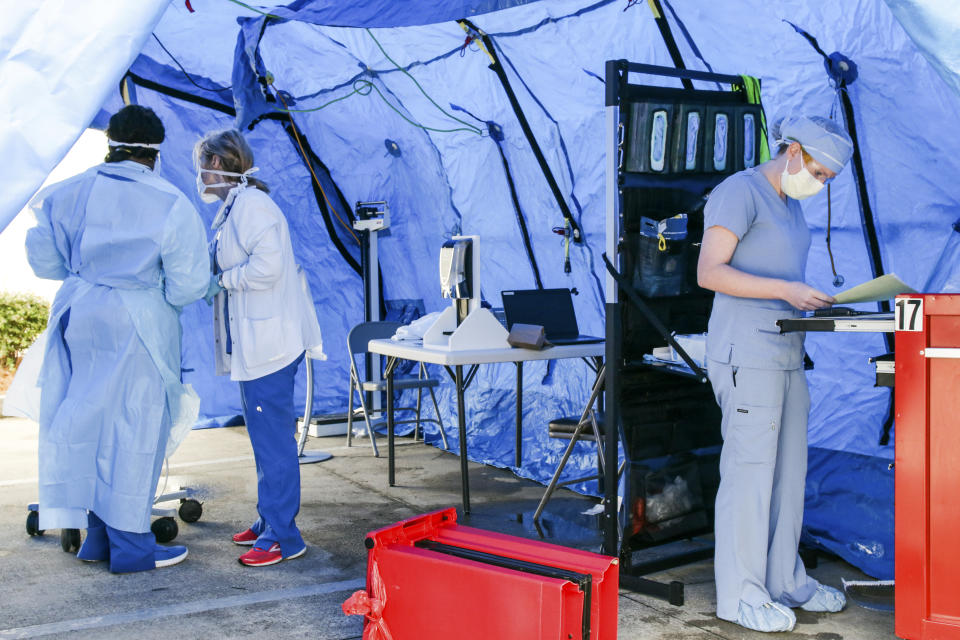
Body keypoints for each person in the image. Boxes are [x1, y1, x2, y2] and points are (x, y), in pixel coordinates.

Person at [22, 105, 209, 572]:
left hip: (79, 313)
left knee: (87, 423)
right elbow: (187, 285)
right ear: (155, 152)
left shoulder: (65, 193)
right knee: (134, 429)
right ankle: (131, 546)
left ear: (111, 142)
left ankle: (98, 538)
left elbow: (45, 263)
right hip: (139, 320)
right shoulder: (169, 201)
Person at [696, 115, 854, 632]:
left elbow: (782, 274)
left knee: (788, 474)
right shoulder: (738, 193)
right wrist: (786, 291)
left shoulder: (789, 205)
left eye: (829, 179)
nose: (821, 183)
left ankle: (785, 580)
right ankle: (741, 595)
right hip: (746, 356)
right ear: (792, 152)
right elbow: (710, 272)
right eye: (819, 171)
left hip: (786, 353)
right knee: (749, 475)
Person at [194, 129, 324, 567]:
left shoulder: (254, 206)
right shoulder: (235, 208)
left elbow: (267, 269)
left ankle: (284, 537)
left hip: (272, 346)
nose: (200, 175)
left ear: (215, 164)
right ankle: (269, 518)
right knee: (262, 439)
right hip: (254, 346)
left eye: (201, 165)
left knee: (275, 444)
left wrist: (224, 281)